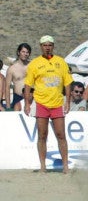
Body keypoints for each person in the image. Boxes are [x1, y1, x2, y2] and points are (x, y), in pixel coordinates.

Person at [24, 35, 74, 173]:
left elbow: (68, 83)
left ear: (53, 46)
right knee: (42, 135)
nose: (47, 47)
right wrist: (27, 104)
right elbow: (28, 85)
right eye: (45, 45)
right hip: (41, 102)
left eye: (50, 45)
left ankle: (65, 166)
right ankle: (42, 166)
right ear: (41, 46)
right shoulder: (34, 63)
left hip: (57, 102)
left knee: (61, 135)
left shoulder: (61, 62)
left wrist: (67, 101)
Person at [6, 43, 32, 111]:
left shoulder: (32, 66)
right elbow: (7, 88)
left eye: (27, 52)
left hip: (31, 97)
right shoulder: (11, 69)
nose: (25, 54)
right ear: (18, 52)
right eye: (23, 51)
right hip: (18, 98)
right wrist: (8, 106)